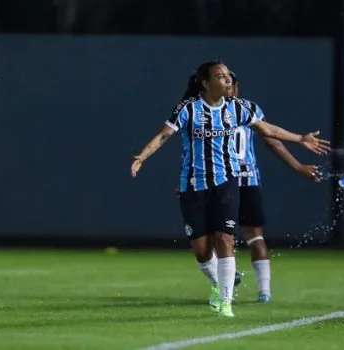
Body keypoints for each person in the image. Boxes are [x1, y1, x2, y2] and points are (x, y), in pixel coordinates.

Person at [131, 60, 330, 317]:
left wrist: (300, 138)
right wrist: (142, 157)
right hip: (193, 186)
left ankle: (226, 302)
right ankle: (217, 285)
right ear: (205, 83)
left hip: (227, 182)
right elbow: (163, 135)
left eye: (228, 76)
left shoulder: (238, 108)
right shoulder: (188, 109)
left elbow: (267, 129)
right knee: (202, 250)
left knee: (226, 238)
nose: (228, 80)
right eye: (220, 76)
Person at [228, 71, 322, 303]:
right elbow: (271, 141)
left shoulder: (207, 110)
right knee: (254, 236)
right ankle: (264, 291)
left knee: (215, 233)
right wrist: (298, 166)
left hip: (222, 181)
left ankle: (229, 278)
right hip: (248, 179)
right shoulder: (250, 108)